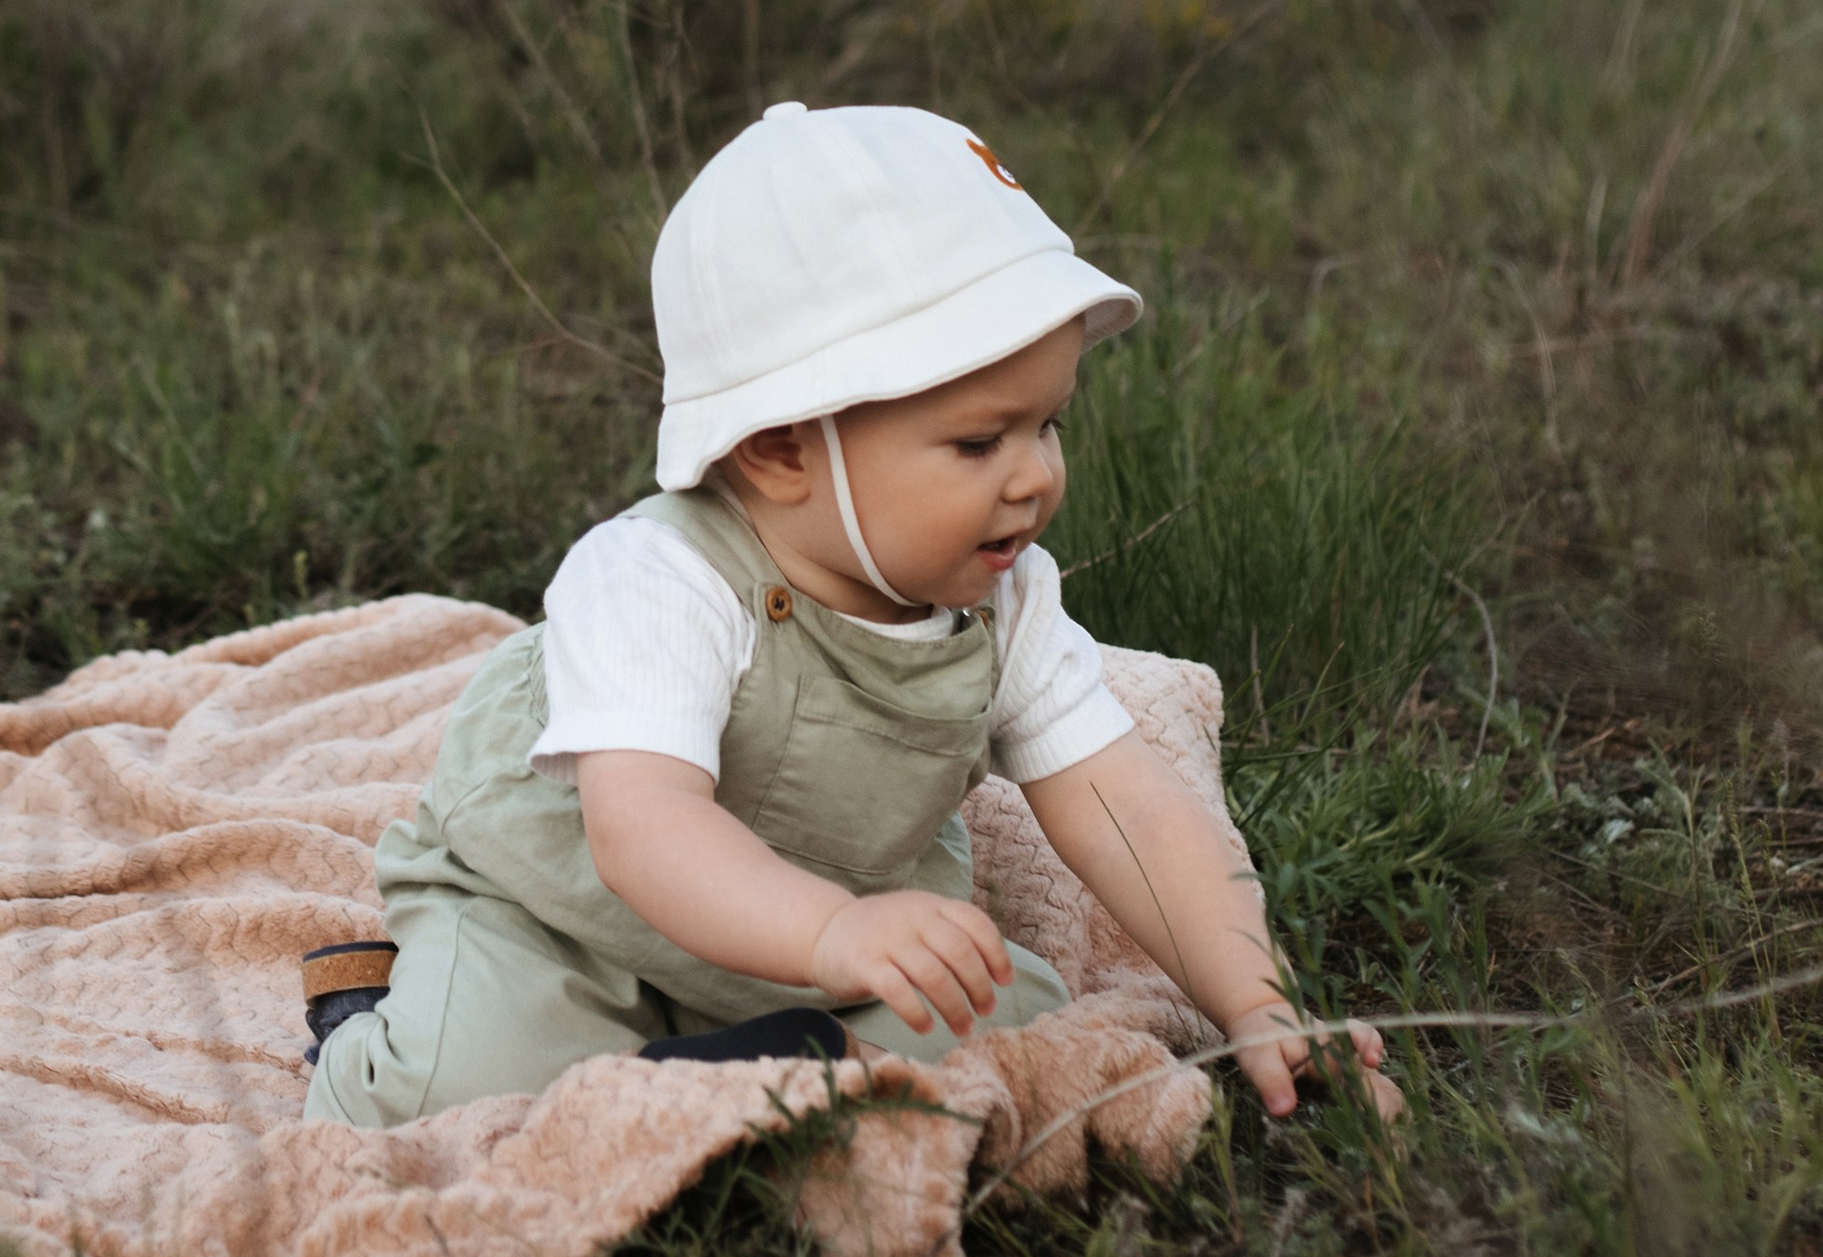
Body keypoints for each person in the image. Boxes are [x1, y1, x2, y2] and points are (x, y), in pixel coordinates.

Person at [302, 100, 1393, 1128]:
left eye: (1047, 424)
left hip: (835, 931)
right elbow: (640, 830)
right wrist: (830, 932)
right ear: (779, 447)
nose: (1034, 478)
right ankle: (371, 1019)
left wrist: (1256, 1002)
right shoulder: (656, 578)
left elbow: (1125, 805)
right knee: (460, 1092)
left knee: (1006, 1033)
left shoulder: (1005, 601)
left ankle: (707, 1071)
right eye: (979, 441)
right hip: (563, 913)